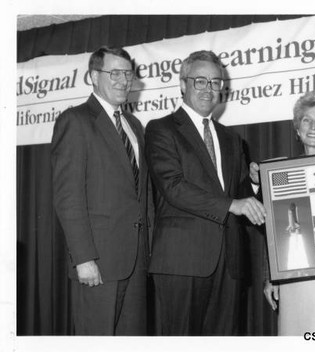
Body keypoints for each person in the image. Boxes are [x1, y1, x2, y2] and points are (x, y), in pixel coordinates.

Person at [145, 50, 266, 336]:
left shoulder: (231, 138)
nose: (208, 89)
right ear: (183, 84)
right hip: (182, 261)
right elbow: (173, 187)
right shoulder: (161, 129)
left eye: (215, 82)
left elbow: (238, 195)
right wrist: (232, 205)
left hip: (229, 261)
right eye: (200, 81)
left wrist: (254, 184)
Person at [51, 46, 150, 335]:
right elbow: (68, 197)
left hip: (135, 262)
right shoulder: (76, 121)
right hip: (98, 264)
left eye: (128, 74)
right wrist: (83, 258)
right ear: (94, 76)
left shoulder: (134, 125)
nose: (123, 81)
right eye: (114, 73)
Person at [252, 90, 315, 335]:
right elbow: (273, 229)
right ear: (297, 129)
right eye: (307, 120)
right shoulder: (282, 173)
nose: (314, 126)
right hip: (292, 276)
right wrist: (272, 277)